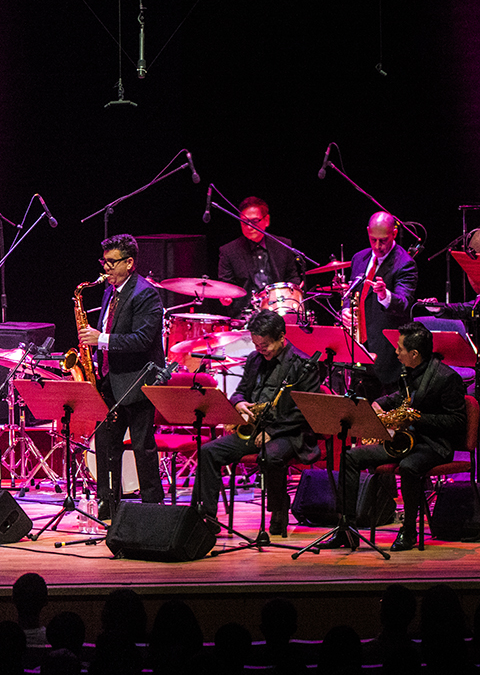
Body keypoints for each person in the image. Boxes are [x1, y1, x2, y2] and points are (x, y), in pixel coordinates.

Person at [320, 321, 466, 552]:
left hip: (434, 445)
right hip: (404, 442)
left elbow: (457, 422)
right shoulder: (410, 372)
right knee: (350, 457)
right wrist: (379, 404)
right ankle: (346, 529)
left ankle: (409, 530)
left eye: (400, 348)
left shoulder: (447, 378)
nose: (396, 352)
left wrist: (416, 419)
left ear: (414, 354)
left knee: (409, 467)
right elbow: (399, 397)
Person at [191, 309, 322, 536]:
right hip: (256, 429)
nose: (260, 350)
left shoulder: (303, 364)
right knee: (208, 452)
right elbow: (240, 391)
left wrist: (273, 431)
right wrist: (239, 403)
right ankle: (204, 518)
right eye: (256, 345)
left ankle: (278, 509)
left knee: (270, 456)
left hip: (290, 432)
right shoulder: (254, 359)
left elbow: (307, 411)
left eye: (265, 345)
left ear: (281, 337)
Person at [79, 233, 164, 520]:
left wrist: (101, 339)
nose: (106, 268)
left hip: (138, 381)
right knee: (105, 445)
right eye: (104, 262)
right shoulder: (110, 291)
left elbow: (142, 339)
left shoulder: (146, 294)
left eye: (112, 262)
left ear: (129, 263)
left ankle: (152, 507)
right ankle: (107, 503)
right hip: (110, 380)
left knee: (142, 447)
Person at [342, 211, 418, 401]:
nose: (377, 246)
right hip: (360, 345)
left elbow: (404, 303)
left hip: (387, 352)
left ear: (394, 233)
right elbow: (351, 292)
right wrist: (346, 309)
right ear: (368, 231)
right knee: (359, 405)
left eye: (383, 240)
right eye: (373, 239)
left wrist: (385, 295)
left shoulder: (405, 264)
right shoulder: (359, 258)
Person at [218, 197, 301, 317]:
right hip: (245, 316)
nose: (249, 226)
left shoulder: (283, 245)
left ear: (267, 220)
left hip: (280, 312)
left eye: (255, 221)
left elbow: (292, 278)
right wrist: (225, 297)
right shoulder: (229, 251)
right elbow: (226, 285)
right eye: (244, 222)